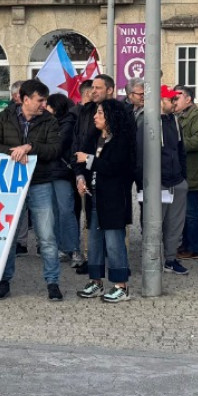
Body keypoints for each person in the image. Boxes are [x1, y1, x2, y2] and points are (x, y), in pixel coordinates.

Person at [0, 78, 62, 300]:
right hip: (11, 185)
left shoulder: (49, 121)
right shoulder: (4, 117)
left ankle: (53, 282)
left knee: (47, 237)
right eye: (40, 100)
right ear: (25, 99)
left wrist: (30, 148)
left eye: (45, 100)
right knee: (8, 236)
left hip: (40, 183)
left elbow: (56, 149)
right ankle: (3, 281)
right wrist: (14, 152)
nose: (43, 104)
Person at [75, 98, 136, 303]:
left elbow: (114, 167)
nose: (95, 116)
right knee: (93, 242)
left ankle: (121, 286)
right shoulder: (93, 136)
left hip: (114, 198)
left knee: (114, 242)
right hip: (93, 197)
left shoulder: (122, 139)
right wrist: (80, 177)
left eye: (100, 113)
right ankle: (96, 282)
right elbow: (79, 161)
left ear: (111, 116)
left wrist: (89, 160)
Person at [136, 86, 188, 275]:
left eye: (175, 100)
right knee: (154, 224)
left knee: (175, 224)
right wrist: (145, 186)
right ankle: (151, 260)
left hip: (176, 181)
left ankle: (171, 259)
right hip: (158, 184)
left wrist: (184, 178)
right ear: (159, 102)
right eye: (170, 100)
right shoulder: (147, 123)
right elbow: (141, 157)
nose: (174, 103)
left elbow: (181, 150)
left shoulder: (175, 121)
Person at [44, 93, 81, 265]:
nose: (45, 108)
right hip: (48, 172)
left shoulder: (67, 123)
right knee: (53, 213)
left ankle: (73, 249)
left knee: (66, 210)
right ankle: (59, 248)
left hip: (61, 172)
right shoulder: (48, 122)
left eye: (48, 106)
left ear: (55, 107)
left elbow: (56, 146)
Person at [174, 85, 198, 260]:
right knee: (184, 212)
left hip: (193, 172)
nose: (174, 101)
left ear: (188, 99)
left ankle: (195, 248)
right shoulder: (178, 116)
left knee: (191, 212)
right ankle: (186, 244)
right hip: (182, 172)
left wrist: (176, 144)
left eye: (177, 97)